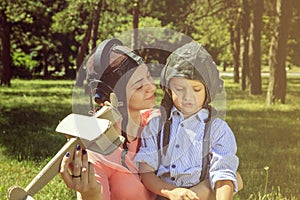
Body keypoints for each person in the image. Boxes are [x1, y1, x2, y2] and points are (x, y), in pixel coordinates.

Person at [135, 41, 242, 200]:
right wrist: (171, 192)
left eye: (196, 89)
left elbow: (223, 176)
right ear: (169, 90)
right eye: (179, 88)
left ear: (208, 90)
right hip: (165, 195)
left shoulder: (218, 129)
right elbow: (146, 171)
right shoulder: (156, 125)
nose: (188, 96)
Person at [60, 38, 158, 200]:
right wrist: (89, 194)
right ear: (111, 96)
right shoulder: (96, 152)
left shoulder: (155, 122)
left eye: (149, 76)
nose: (152, 87)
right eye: (139, 86)